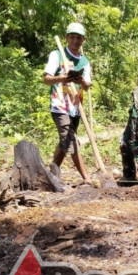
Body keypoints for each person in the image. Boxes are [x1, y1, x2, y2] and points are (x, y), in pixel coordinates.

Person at [43, 22, 92, 182]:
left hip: (75, 108)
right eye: (72, 37)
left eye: (78, 38)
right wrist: (63, 78)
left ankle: (50, 175)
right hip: (59, 107)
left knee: (64, 143)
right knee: (71, 141)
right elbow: (47, 79)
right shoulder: (57, 55)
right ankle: (86, 178)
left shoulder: (84, 62)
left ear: (83, 40)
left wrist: (81, 80)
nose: (75, 41)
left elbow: (86, 87)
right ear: (66, 38)